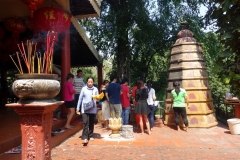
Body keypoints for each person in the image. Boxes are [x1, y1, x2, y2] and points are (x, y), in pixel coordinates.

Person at [76, 77, 99, 143]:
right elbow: (80, 99)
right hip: (84, 108)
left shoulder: (95, 89)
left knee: (91, 122)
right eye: (89, 82)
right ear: (87, 82)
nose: (90, 83)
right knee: (85, 122)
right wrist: (78, 108)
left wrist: (98, 98)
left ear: (93, 82)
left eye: (91, 82)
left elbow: (98, 99)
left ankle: (90, 135)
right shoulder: (83, 89)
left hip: (92, 108)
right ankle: (85, 137)